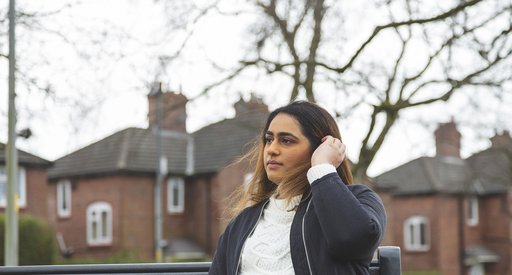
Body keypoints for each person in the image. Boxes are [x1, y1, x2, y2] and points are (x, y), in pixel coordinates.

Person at [209, 101, 387, 275]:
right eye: (269, 139)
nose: (271, 149)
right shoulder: (242, 223)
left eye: (286, 141)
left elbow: (356, 239)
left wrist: (322, 168)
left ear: (319, 148)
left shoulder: (360, 200)